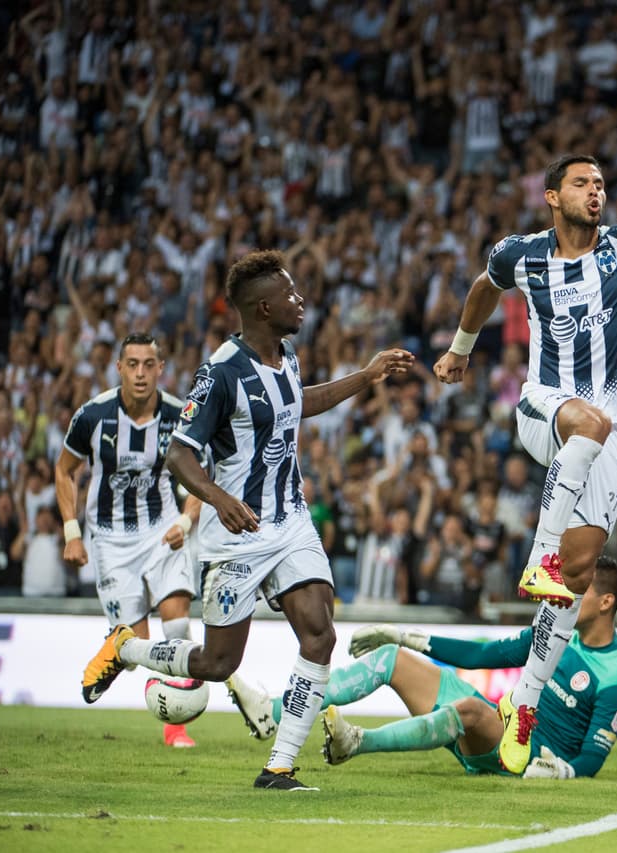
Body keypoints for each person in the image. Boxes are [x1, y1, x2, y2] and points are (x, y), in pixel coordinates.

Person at [432, 133, 617, 772]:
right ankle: (541, 553)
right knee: (587, 420)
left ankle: (525, 706)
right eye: (581, 183)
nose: (595, 192)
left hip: (612, 436)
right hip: (547, 407)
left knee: (576, 574)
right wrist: (461, 346)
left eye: (600, 184)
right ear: (552, 197)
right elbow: (486, 287)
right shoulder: (521, 254)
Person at [80, 250, 414, 790]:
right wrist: (217, 499)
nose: (299, 299)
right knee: (215, 663)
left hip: (290, 523)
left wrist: (367, 375)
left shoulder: (286, 354)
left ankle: (279, 766)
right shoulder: (221, 373)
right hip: (236, 538)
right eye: (289, 293)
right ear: (263, 307)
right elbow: (181, 454)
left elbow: (297, 403)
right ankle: (127, 646)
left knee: (319, 634)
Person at [226, 556, 617, 779]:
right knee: (392, 660)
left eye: (578, 593)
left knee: (474, 710)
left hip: (528, 759)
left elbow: (591, 759)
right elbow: (480, 657)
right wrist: (404, 637)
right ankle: (271, 713)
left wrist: (560, 773)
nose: (564, 598)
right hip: (498, 729)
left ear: (605, 603)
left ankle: (357, 743)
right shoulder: (554, 631)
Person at [56, 332, 205, 748]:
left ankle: (175, 727)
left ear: (161, 369)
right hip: (108, 538)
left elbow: (199, 480)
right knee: (136, 648)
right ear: (119, 368)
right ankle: (119, 646)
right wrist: (72, 532)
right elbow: (64, 470)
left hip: (161, 530)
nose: (141, 373)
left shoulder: (180, 416)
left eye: (148, 364)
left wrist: (187, 522)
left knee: (177, 620)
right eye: (133, 364)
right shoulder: (93, 415)